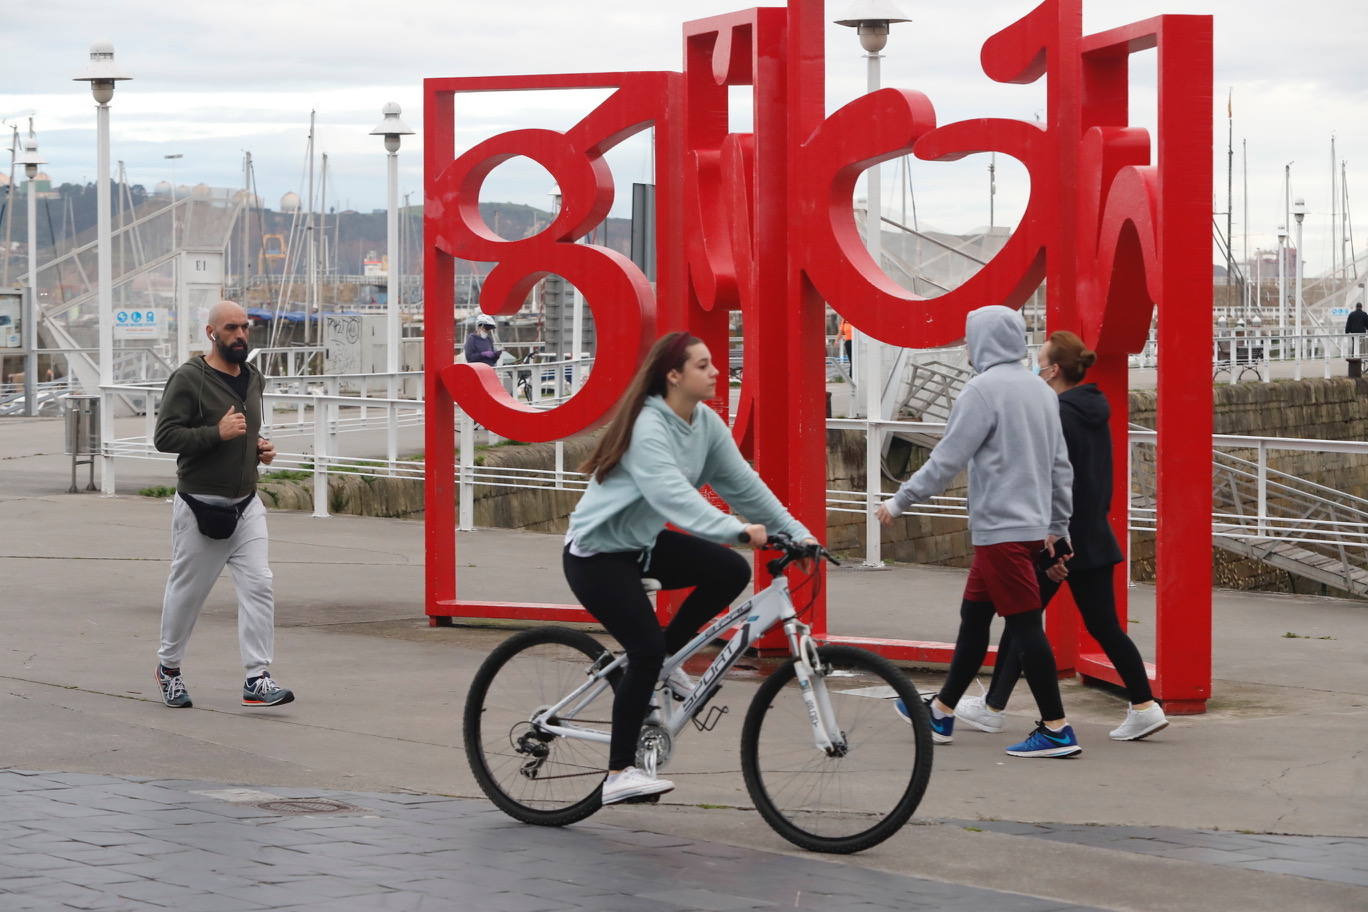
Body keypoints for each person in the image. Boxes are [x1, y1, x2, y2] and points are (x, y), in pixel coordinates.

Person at [563, 330, 816, 804]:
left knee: (730, 572)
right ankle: (619, 773)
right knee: (641, 650)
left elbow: (746, 485)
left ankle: (666, 659)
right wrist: (736, 530)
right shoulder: (648, 426)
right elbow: (670, 496)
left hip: (639, 545)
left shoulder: (704, 424)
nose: (715, 371)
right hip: (596, 555)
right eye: (703, 365)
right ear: (673, 375)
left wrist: (798, 532)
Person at [876, 305, 1080, 759]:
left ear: (985, 340)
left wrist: (899, 500)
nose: (966, 347)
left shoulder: (981, 391)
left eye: (970, 338)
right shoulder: (1042, 391)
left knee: (1026, 628)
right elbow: (1059, 466)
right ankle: (943, 711)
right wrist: (1057, 525)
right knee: (975, 618)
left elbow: (947, 459)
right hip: (1029, 528)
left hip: (999, 528)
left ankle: (1056, 728)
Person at [955, 332, 1169, 741]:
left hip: (1060, 538)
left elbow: (1056, 479)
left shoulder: (1056, 412)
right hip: (1093, 534)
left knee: (1023, 622)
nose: (1034, 366)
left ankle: (993, 707)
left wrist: (1053, 539)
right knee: (1104, 626)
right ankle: (1144, 706)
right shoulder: (1092, 408)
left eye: (1039, 360)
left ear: (1052, 370)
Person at [152, 301, 293, 710]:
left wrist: (259, 449)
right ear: (211, 333)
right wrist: (217, 433)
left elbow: (246, 432)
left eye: (245, 327)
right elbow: (165, 437)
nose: (241, 335)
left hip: (246, 502)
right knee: (187, 593)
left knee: (259, 585)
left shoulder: (253, 378)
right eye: (231, 328)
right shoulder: (189, 379)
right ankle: (169, 668)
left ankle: (257, 677)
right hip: (200, 503)